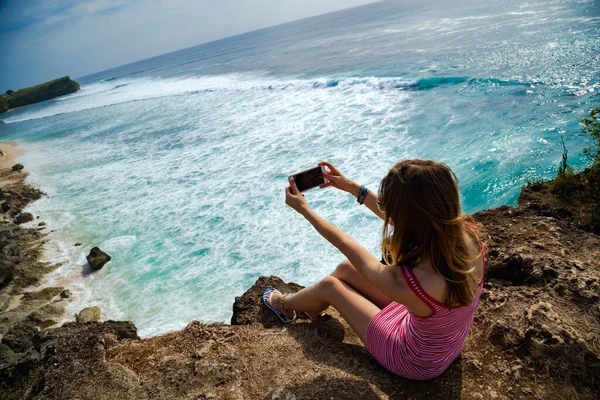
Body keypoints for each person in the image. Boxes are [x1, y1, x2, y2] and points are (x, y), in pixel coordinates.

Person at [263, 159, 486, 380]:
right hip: (441, 339)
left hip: (413, 360)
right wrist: (351, 187)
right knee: (345, 269)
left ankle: (284, 305)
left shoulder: (408, 282)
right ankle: (312, 306)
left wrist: (305, 210)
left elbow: (345, 244)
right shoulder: (467, 236)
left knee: (330, 286)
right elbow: (410, 217)